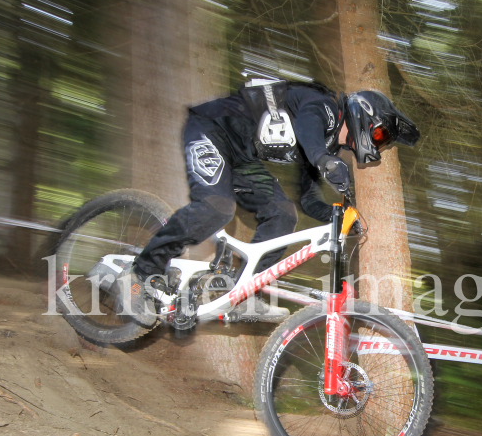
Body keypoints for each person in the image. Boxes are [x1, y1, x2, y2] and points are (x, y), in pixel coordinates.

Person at [123, 79, 420, 326]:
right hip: (211, 129)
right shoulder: (326, 107)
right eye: (379, 135)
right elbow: (308, 122)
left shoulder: (324, 144)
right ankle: (140, 272)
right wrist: (323, 160)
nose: (377, 143)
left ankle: (241, 292)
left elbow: (307, 198)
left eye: (383, 142)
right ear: (364, 114)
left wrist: (338, 216)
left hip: (242, 159)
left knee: (282, 213)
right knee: (217, 206)